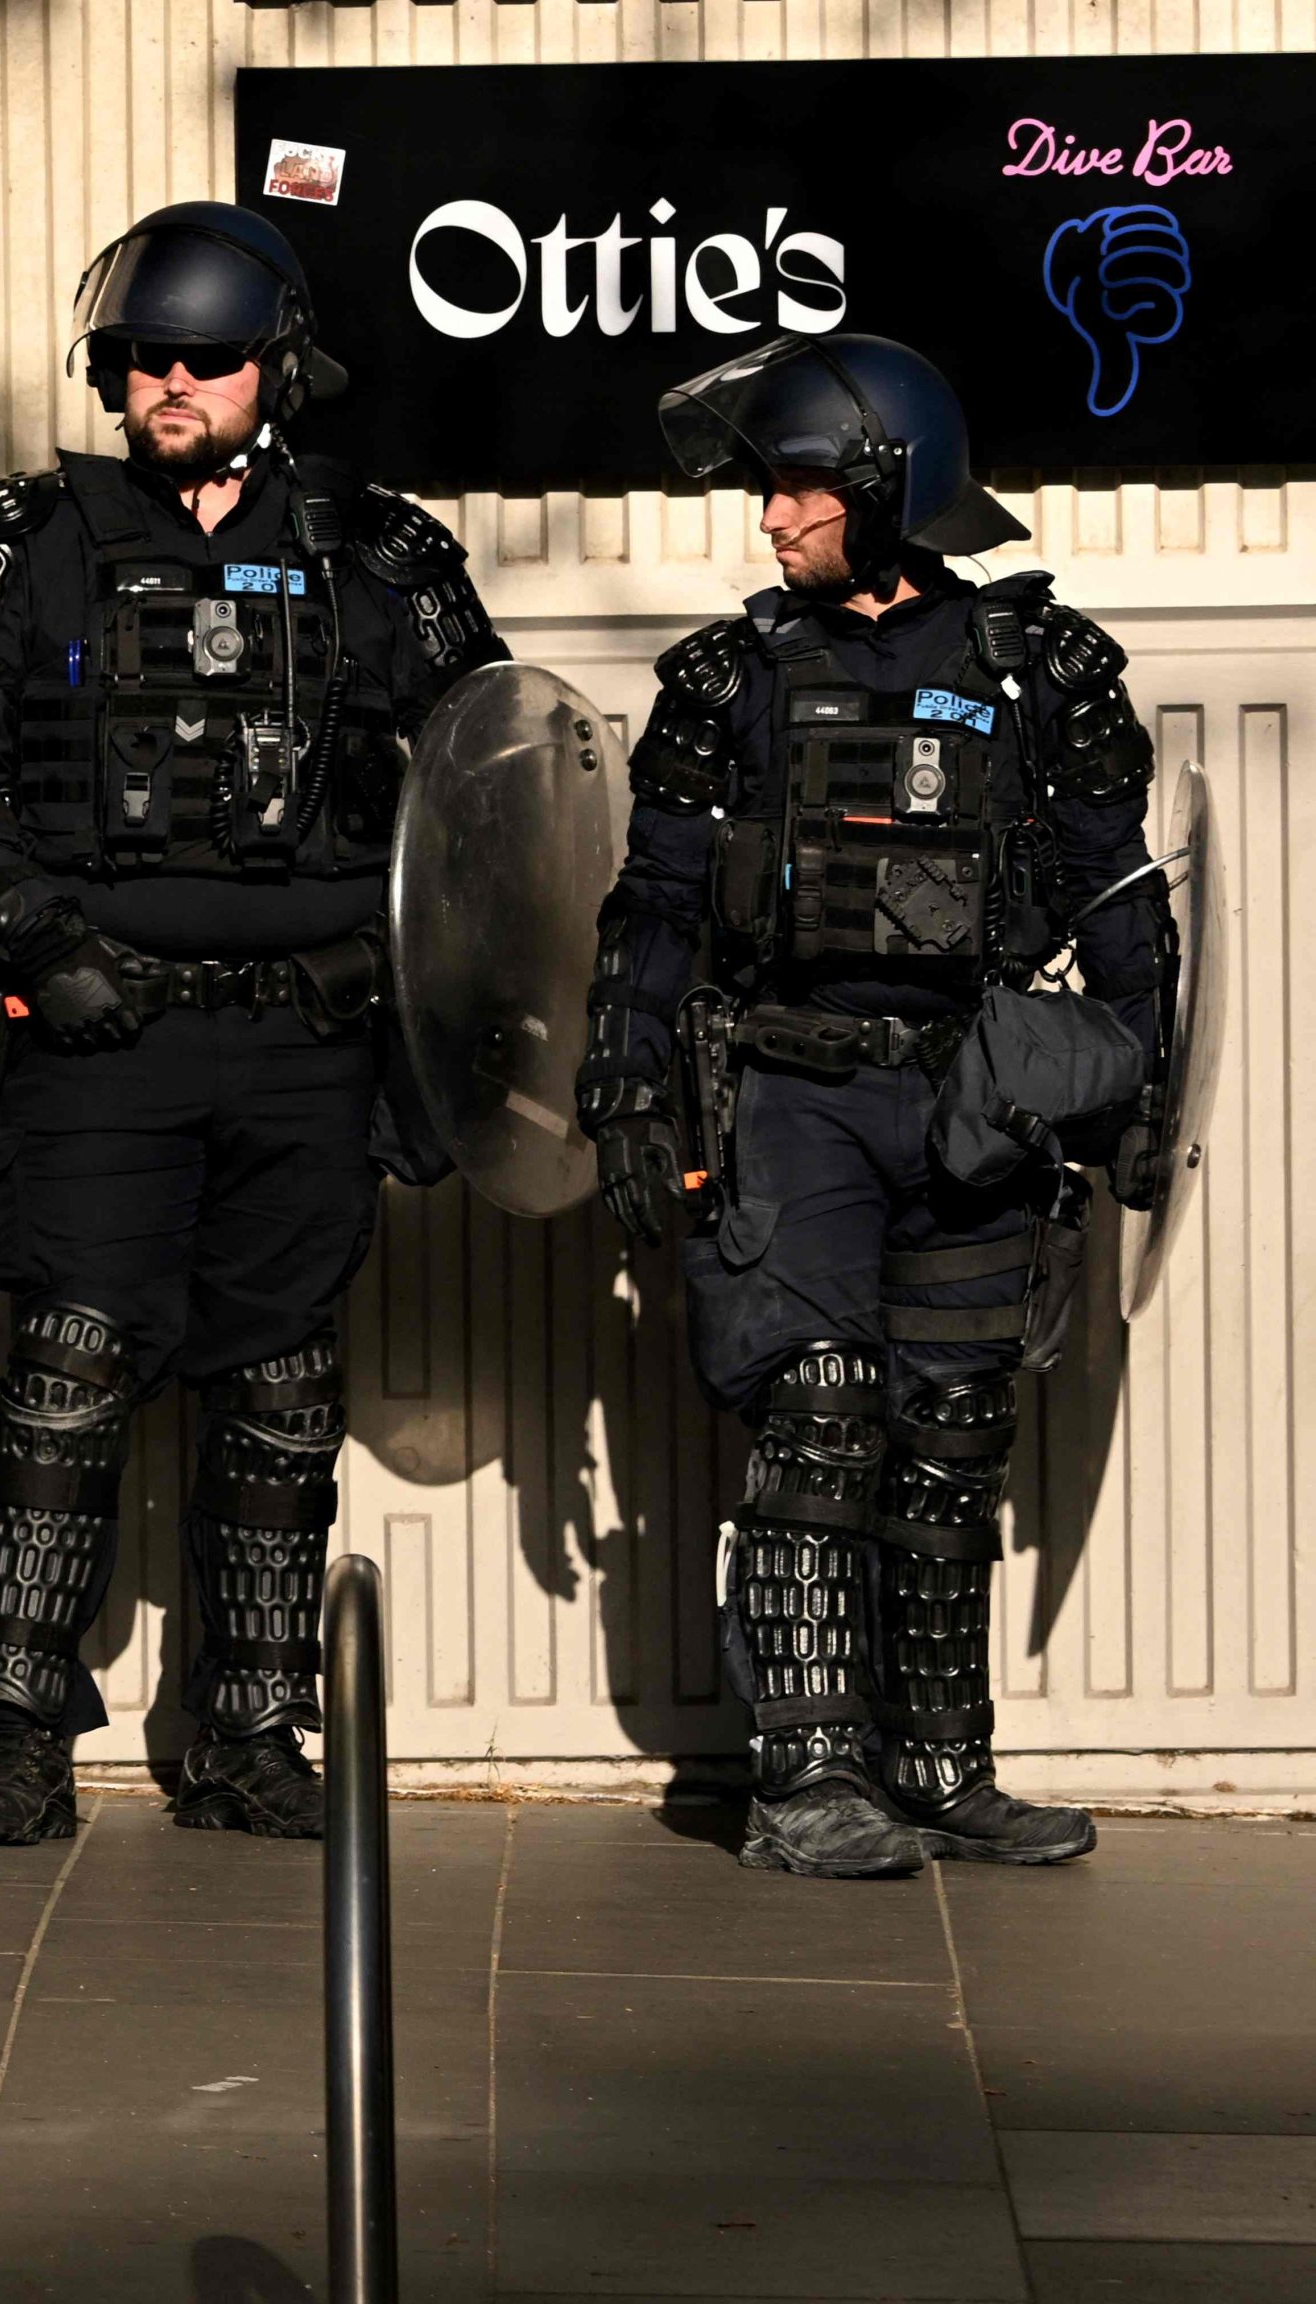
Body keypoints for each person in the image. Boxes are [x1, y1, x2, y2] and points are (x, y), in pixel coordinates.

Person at [0, 201, 505, 1846]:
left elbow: (490, 787)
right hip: (102, 1031)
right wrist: (33, 932)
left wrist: (450, 1041)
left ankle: (249, 1730)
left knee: (285, 1384)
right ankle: (8, 1725)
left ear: (275, 366)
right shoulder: (28, 539)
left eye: (208, 357)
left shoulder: (386, 553)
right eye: (147, 356)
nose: (172, 381)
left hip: (313, 1036)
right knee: (70, 1371)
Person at [579, 334, 1161, 1880]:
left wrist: (1131, 1081)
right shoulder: (727, 680)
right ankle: (807, 1777)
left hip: (979, 1098)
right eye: (766, 486)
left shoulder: (1049, 670)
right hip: (791, 1093)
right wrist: (627, 1077)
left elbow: (1119, 893)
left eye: (798, 486)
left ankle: (944, 1764)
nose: (769, 518)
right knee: (820, 1416)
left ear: (889, 483)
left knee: (953, 1435)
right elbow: (653, 906)